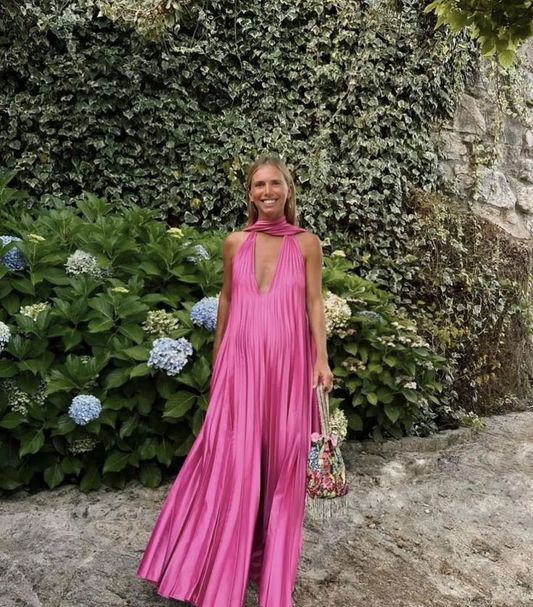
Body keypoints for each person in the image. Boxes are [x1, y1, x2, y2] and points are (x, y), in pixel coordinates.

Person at [137, 154, 333, 607]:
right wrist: (218, 354)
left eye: (275, 183)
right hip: (240, 367)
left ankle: (273, 582)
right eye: (259, 184)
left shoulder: (308, 243)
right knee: (233, 463)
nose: (267, 191)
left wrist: (322, 359)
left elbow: (314, 302)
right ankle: (216, 568)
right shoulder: (234, 242)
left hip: (290, 368)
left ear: (288, 190)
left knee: (283, 466)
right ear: (250, 194)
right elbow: (226, 297)